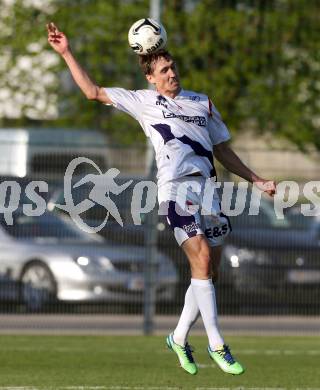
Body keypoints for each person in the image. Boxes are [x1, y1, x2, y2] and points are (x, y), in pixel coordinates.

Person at [47, 22, 276, 376]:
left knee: (208, 272)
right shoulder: (143, 101)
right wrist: (66, 53)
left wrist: (257, 179)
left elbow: (222, 150)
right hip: (175, 190)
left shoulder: (202, 102)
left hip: (208, 191)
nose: (172, 73)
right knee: (200, 257)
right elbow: (92, 91)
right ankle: (217, 343)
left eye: (173, 68)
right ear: (151, 78)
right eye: (164, 70)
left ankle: (179, 336)